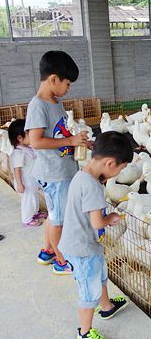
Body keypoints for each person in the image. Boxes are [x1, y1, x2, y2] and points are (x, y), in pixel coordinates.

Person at [58, 131, 132, 339]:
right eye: (122, 167)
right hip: (81, 249)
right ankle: (85, 332)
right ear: (110, 163)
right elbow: (97, 222)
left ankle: (107, 306)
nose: (121, 172)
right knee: (88, 293)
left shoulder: (83, 174)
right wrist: (112, 218)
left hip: (83, 243)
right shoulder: (93, 187)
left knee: (99, 276)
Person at [25, 51, 88, 274]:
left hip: (61, 169)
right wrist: (70, 140)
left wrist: (76, 143)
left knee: (55, 216)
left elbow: (58, 134)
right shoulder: (38, 105)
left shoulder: (55, 102)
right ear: (54, 79)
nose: (68, 88)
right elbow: (36, 141)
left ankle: (48, 251)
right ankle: (62, 261)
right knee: (59, 220)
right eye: (67, 83)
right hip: (54, 174)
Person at [8, 119, 46, 226]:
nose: (33, 136)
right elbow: (17, 169)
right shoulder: (18, 153)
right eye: (29, 134)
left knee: (34, 198)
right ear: (20, 138)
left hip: (31, 179)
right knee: (28, 200)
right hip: (24, 181)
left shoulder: (27, 148)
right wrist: (20, 184)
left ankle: (34, 213)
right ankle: (27, 219)